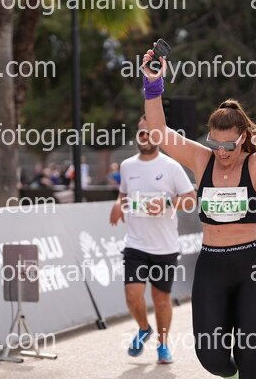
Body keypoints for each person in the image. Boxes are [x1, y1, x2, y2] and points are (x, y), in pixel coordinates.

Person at [143, 44, 256, 379]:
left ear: (243, 139)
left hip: (254, 264)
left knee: (249, 356)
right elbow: (159, 133)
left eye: (228, 145)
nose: (221, 151)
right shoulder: (202, 160)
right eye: (215, 144)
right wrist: (153, 84)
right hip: (212, 264)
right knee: (211, 357)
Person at [109, 115, 196, 364]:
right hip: (135, 243)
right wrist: (118, 204)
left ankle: (163, 345)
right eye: (141, 132)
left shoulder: (171, 166)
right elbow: (124, 194)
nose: (145, 137)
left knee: (160, 298)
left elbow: (191, 199)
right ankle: (144, 328)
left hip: (164, 246)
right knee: (132, 294)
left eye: (149, 132)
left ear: (158, 136)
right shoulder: (127, 166)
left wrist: (167, 202)